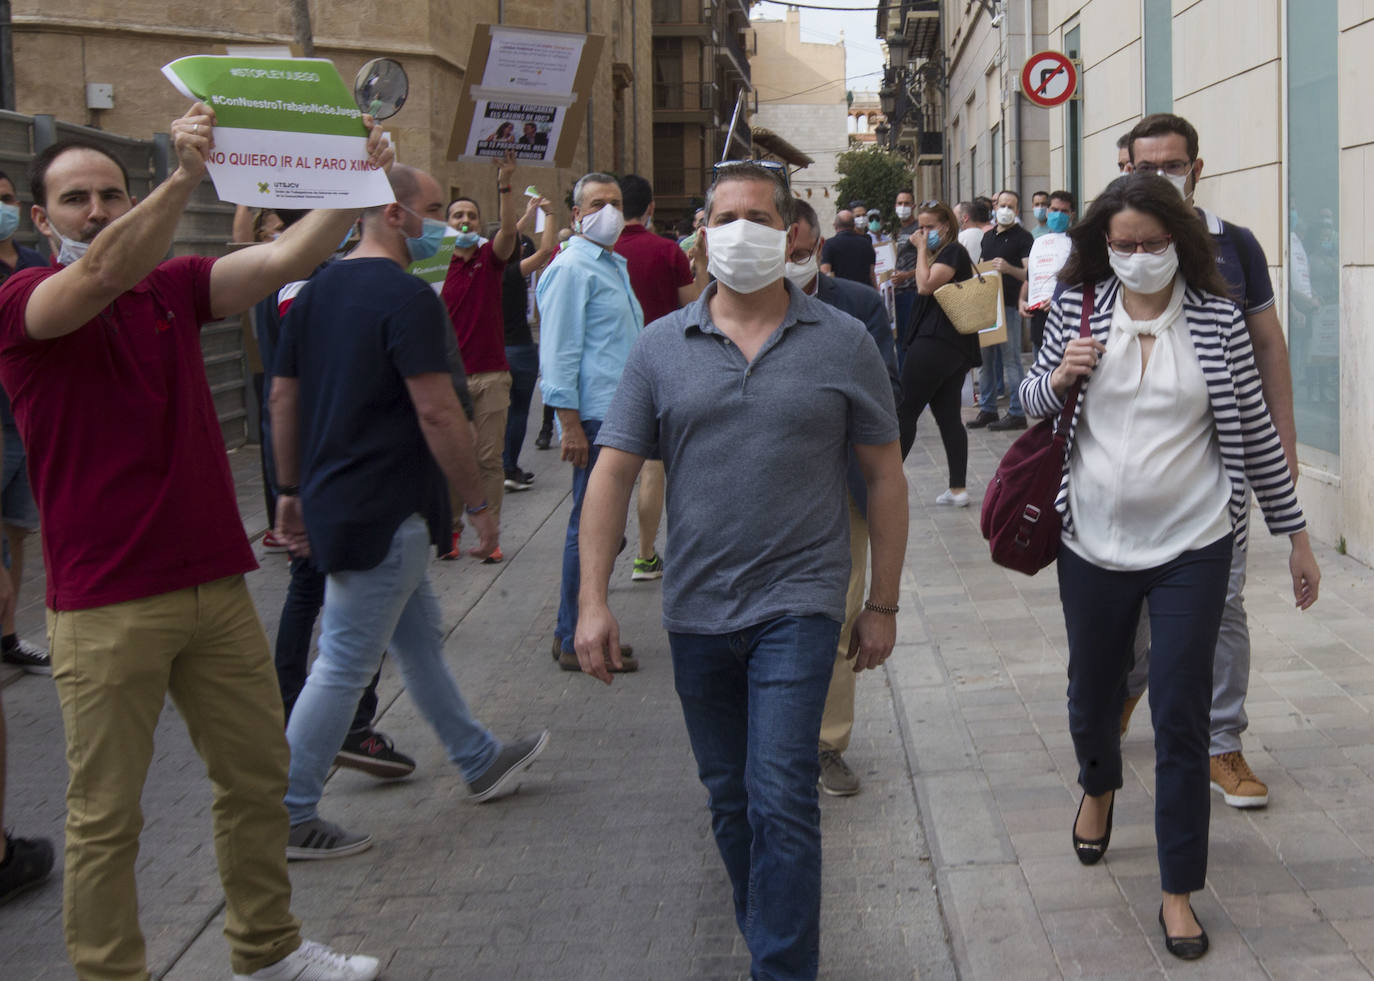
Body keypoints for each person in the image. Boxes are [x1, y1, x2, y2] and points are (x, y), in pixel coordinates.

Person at [0, 104, 389, 980]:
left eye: (109, 193)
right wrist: (183, 178)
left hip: (214, 581)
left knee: (257, 780)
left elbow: (288, 255)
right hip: (104, 602)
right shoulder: (23, 301)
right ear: (41, 219)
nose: (95, 211)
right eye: (74, 200)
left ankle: (267, 950)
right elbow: (99, 273)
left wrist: (356, 179)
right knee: (107, 814)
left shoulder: (174, 288)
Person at [574, 162, 907, 979]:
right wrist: (592, 601)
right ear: (702, 232)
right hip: (695, 612)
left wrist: (883, 603)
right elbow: (612, 474)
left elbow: (886, 474)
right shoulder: (661, 347)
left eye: (758, 216)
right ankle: (768, 931)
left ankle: (781, 968)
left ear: (791, 230)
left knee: (782, 795)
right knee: (730, 801)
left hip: (799, 605)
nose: (740, 231)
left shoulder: (842, 339)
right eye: (725, 217)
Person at [1025, 174, 1319, 962]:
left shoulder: (1219, 320)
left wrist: (1295, 533)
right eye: (1124, 245)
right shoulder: (1077, 309)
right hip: (1091, 541)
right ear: (1103, 247)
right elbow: (1027, 400)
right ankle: (1098, 783)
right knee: (1094, 694)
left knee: (1181, 717)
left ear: (1180, 244)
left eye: (1155, 244)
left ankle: (1178, 890)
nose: (1140, 257)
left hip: (1194, 543)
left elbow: (1254, 433)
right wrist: (1059, 378)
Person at [270, 163, 549, 858]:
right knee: (341, 663)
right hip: (385, 504)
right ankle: (288, 810)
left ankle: (476, 755)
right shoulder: (406, 297)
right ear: (392, 214)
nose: (443, 227)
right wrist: (478, 501)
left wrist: (289, 487)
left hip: (342, 498)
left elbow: (282, 398)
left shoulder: (316, 289)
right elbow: (437, 409)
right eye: (430, 210)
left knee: (418, 638)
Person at [1121, 113, 1300, 810]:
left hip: (1220, 462)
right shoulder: (1109, 238)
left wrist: (1281, 443)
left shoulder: (1235, 246)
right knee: (1129, 603)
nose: (1161, 174)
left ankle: (1223, 740)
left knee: (1222, 606)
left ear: (1196, 167)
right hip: (1130, 466)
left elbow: (1268, 344)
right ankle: (1130, 686)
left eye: (1174, 163)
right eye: (1147, 164)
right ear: (1125, 165)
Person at [784, 198, 900, 798]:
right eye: (782, 247)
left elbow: (887, 392)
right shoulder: (715, 315)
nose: (791, 260)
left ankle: (826, 744)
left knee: (834, 618)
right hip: (757, 501)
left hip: (838, 497)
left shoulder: (854, 310)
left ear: (818, 249)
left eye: (802, 251)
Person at [536, 172, 644, 672]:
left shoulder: (610, 265)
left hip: (620, 414)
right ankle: (570, 634)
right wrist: (569, 424)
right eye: (598, 203)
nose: (610, 212)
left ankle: (582, 626)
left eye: (616, 203)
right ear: (576, 214)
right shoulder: (572, 268)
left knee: (602, 528)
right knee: (590, 528)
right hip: (596, 419)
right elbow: (558, 351)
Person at [613, 174, 708, 582]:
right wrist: (700, 263)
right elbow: (697, 303)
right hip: (662, 368)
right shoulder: (667, 251)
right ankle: (645, 554)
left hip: (608, 374)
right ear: (650, 208)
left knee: (610, 471)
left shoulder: (596, 251)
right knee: (653, 466)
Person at [440, 151, 521, 563]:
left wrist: (504, 183)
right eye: (458, 216)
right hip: (448, 381)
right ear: (447, 224)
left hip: (490, 376)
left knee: (488, 459)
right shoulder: (435, 264)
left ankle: (490, 537)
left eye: (471, 215)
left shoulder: (490, 260)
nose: (466, 222)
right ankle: (451, 532)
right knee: (454, 457)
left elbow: (508, 230)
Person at [895, 200, 981, 508]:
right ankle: (958, 489)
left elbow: (925, 285)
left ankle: (886, 483)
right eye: (920, 227)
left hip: (937, 342)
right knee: (947, 416)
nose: (922, 232)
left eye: (929, 226)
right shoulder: (944, 253)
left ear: (946, 225)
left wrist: (919, 250)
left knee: (905, 411)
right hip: (952, 346)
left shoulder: (953, 251)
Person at [0, 169, 48, 673]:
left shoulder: (35, 262)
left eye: (8, 198)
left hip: (27, 420)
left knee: (18, 527)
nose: (4, 208)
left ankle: (10, 636)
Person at [501, 194, 557, 492]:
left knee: (497, 415)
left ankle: (497, 465)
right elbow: (547, 249)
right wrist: (547, 215)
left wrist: (528, 212)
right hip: (519, 350)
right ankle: (509, 466)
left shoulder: (486, 269)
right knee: (518, 411)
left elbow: (509, 235)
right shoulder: (511, 273)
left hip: (494, 350)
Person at [969, 189, 1033, 431]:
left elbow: (1029, 272)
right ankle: (987, 409)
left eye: (1010, 206)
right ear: (994, 209)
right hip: (988, 305)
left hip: (1009, 305)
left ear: (1017, 211)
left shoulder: (1024, 238)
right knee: (985, 361)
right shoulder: (988, 237)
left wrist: (1009, 269)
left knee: (1011, 360)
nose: (1005, 209)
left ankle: (1017, 412)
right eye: (1001, 205)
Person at [1019, 189, 1076, 355]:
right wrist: (1022, 300)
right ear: (1048, 211)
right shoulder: (1038, 243)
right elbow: (1031, 277)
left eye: (1064, 211)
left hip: (1065, 320)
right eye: (1054, 210)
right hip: (1038, 318)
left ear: (1072, 214)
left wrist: (1058, 297)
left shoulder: (1078, 242)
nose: (1058, 215)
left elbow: (1081, 281)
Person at [891, 189, 922, 367]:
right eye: (900, 203)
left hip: (912, 290)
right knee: (901, 341)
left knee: (910, 341)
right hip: (897, 293)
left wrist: (907, 275)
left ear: (913, 206)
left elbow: (928, 260)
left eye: (906, 203)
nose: (903, 207)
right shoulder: (899, 231)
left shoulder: (918, 229)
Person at [820, 210, 876, 287]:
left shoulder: (829, 244)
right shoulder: (866, 243)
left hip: (843, 293)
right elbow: (872, 274)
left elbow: (825, 273)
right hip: (866, 292)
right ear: (853, 225)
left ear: (835, 225)